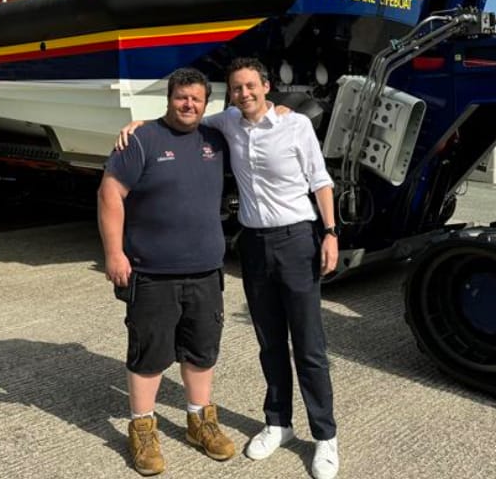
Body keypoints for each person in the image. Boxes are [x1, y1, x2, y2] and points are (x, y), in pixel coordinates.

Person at [117, 57, 341, 479]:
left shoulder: (295, 125)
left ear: (267, 86)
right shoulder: (227, 123)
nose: (244, 94)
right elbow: (183, 116)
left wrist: (330, 232)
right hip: (253, 243)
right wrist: (140, 126)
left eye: (251, 86)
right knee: (269, 342)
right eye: (237, 88)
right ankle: (278, 423)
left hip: (297, 240)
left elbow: (320, 180)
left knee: (308, 345)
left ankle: (325, 436)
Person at [98, 67, 236, 476]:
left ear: (207, 103)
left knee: (202, 351)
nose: (188, 104)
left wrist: (280, 109)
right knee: (149, 354)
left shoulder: (216, 139)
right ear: (169, 98)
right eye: (181, 97)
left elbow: (255, 121)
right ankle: (142, 428)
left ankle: (199, 420)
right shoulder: (141, 139)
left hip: (206, 271)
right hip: (153, 273)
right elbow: (110, 194)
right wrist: (114, 254)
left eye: (196, 98)